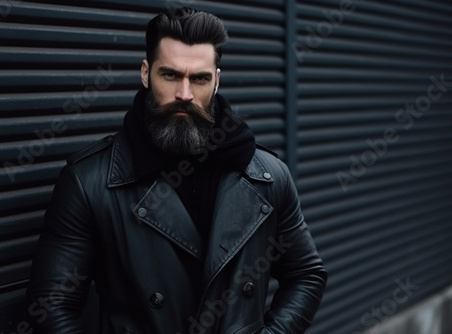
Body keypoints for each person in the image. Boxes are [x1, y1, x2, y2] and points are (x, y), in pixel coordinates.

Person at [26, 7, 327, 334]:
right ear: (145, 73)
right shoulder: (89, 182)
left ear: (216, 82)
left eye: (199, 78)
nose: (184, 95)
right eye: (170, 75)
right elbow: (51, 307)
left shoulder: (268, 176)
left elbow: (305, 275)